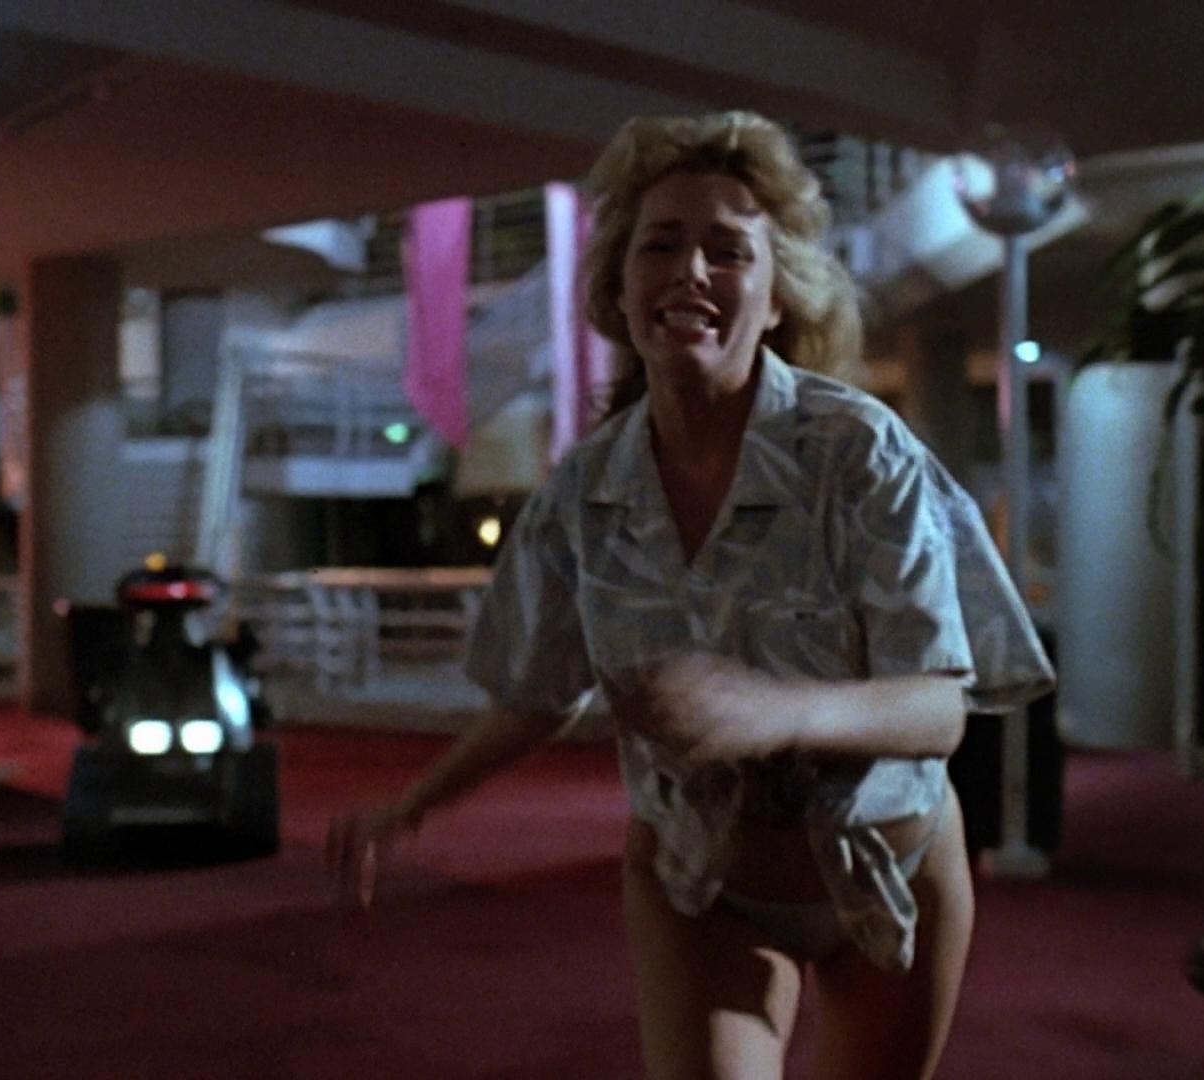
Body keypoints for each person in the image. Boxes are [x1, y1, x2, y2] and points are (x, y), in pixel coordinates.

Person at [326, 112, 1053, 1079]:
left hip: (888, 869)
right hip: (703, 883)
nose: (691, 272)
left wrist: (774, 710)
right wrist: (412, 804)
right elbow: (538, 694)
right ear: (620, 290)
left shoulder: (859, 453)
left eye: (729, 250)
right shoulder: (584, 495)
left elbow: (936, 708)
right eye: (660, 245)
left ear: (777, 294)